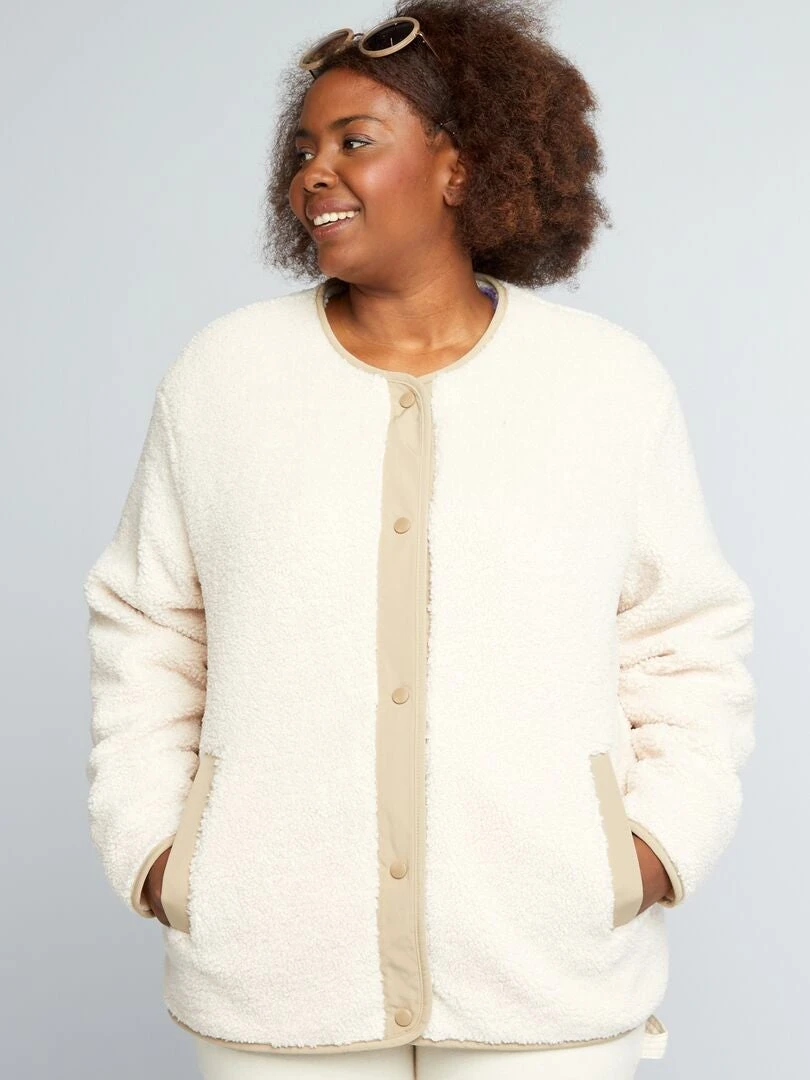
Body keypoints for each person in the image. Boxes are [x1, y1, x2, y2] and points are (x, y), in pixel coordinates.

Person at [82, 2, 756, 1078]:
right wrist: (165, 854)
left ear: (459, 166)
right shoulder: (223, 379)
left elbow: (686, 641)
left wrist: (647, 851)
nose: (313, 173)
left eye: (355, 140)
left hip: (542, 965)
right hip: (277, 965)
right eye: (302, 148)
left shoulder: (603, 385)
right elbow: (149, 628)